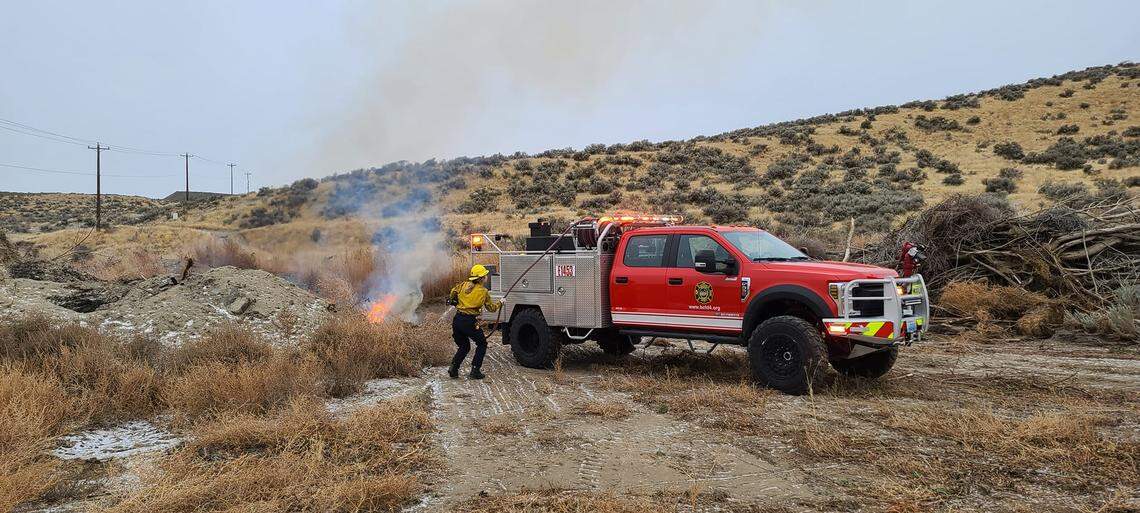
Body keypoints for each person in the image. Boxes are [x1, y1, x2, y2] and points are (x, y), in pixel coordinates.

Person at [448, 264, 501, 379]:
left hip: (457, 320)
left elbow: (452, 292)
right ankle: (475, 371)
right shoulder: (483, 292)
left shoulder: (463, 285)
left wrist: (455, 301)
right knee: (482, 344)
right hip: (469, 322)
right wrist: (501, 303)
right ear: (481, 278)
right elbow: (491, 308)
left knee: (464, 346)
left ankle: (453, 368)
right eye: (485, 275)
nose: (487, 277)